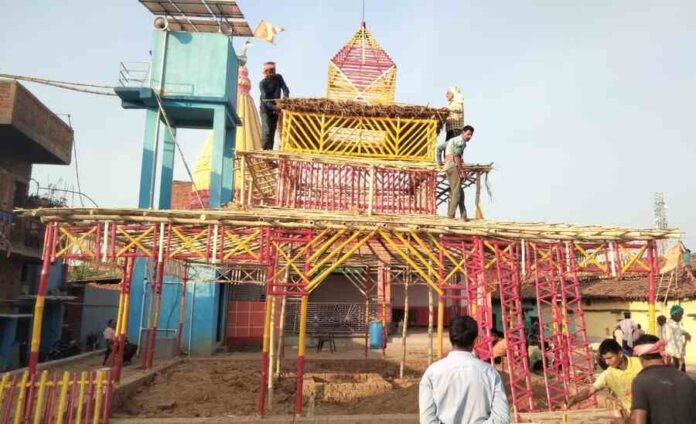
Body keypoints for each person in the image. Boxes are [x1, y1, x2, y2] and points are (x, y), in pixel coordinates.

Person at [419, 316, 508, 424]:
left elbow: (427, 421)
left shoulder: (431, 373)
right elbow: (501, 420)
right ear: (475, 340)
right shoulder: (491, 374)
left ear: (451, 338)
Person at [619, 334, 696, 424]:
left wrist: (623, 422)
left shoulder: (641, 381)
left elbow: (638, 422)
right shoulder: (686, 379)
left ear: (640, 358)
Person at [566, 339, 642, 415]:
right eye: (604, 359)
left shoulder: (640, 363)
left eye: (609, 358)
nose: (606, 362)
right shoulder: (608, 374)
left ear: (620, 354)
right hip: (633, 414)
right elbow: (590, 390)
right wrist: (574, 399)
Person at [443, 126, 474, 221]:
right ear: (463, 132)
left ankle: (463, 215)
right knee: (456, 192)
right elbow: (456, 157)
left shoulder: (453, 140)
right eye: (468, 134)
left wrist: (440, 161)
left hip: (449, 166)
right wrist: (462, 171)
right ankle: (450, 215)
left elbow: (440, 148)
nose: (469, 136)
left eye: (471, 135)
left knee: (460, 191)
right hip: (453, 166)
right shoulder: (461, 141)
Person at [259, 61, 290, 150]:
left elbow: (285, 89)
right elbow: (265, 101)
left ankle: (269, 153)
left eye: (273, 70)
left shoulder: (278, 78)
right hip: (265, 110)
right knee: (267, 131)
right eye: (270, 71)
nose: (272, 72)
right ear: (265, 72)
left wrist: (285, 98)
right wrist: (276, 107)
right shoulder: (262, 84)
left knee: (272, 133)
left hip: (276, 109)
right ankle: (263, 150)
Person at [437, 86, 464, 165]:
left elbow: (459, 109)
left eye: (448, 93)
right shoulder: (452, 103)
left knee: (453, 149)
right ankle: (449, 163)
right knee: (447, 148)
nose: (446, 95)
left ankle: (454, 163)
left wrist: (447, 109)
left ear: (453, 94)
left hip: (456, 130)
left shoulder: (457, 102)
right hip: (450, 130)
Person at [663, 304, 691, 372]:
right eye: (680, 315)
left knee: (682, 376)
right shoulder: (668, 326)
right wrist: (679, 357)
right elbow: (670, 342)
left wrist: (686, 333)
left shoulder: (676, 325)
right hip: (673, 357)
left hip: (678, 355)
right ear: (675, 314)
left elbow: (680, 331)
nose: (681, 317)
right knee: (676, 378)